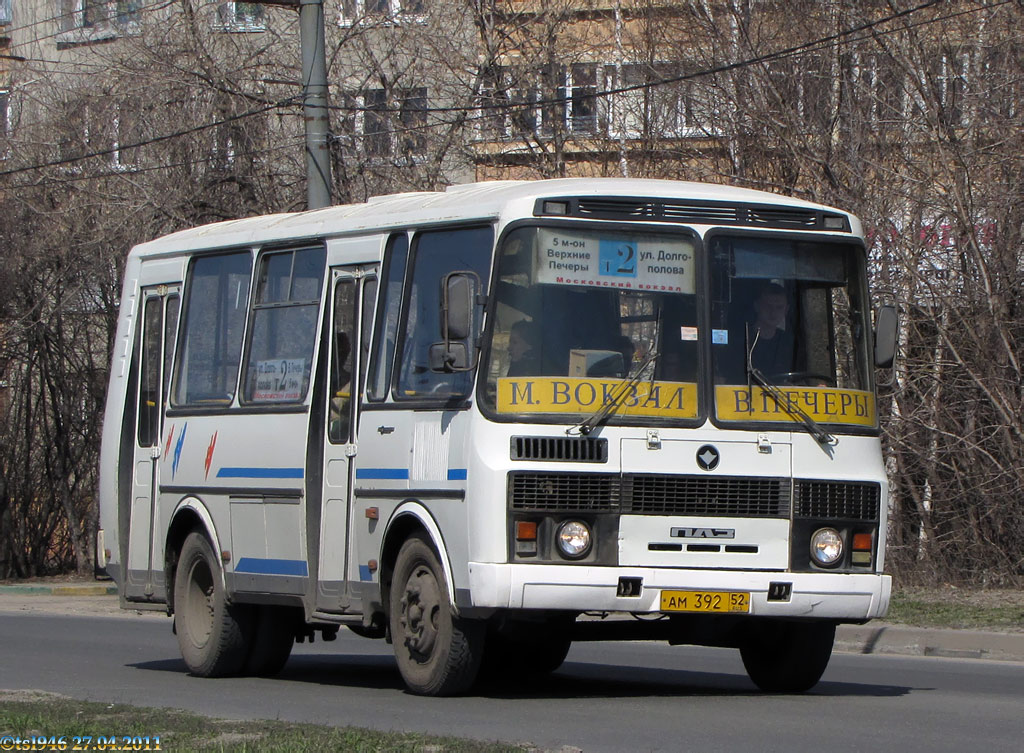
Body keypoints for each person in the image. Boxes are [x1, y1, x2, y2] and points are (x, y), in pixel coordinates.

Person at [748, 282, 795, 376]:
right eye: (768, 306)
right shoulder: (742, 339)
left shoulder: (789, 342)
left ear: (786, 310)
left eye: (779, 307)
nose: (773, 312)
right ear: (757, 306)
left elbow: (801, 381)